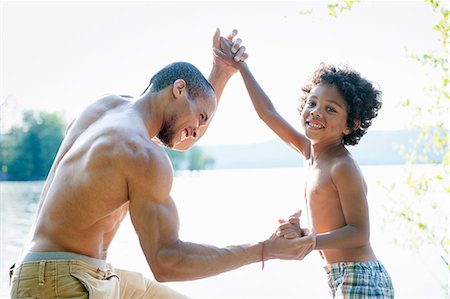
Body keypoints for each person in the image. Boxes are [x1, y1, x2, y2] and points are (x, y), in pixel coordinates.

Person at [9, 29, 316, 299]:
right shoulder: (140, 153)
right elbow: (167, 261)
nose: (196, 130)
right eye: (201, 117)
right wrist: (266, 250)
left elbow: (182, 139)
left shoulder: (104, 109)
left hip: (47, 269)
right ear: (179, 89)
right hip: (59, 282)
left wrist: (220, 72)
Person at [215, 36, 395, 298]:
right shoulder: (310, 152)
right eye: (312, 103)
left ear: (350, 125)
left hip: (360, 276)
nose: (316, 112)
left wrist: (310, 242)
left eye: (330, 109)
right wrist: (241, 66)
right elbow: (269, 113)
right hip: (340, 276)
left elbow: (359, 233)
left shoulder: (342, 166)